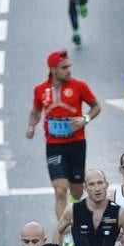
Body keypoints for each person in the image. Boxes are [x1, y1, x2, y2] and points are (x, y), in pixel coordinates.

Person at [27, 50, 100, 220]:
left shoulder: (80, 86)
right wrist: (31, 125)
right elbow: (36, 111)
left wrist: (85, 118)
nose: (69, 70)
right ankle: (65, 232)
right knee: (60, 190)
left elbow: (96, 107)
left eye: (69, 66)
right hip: (54, 145)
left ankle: (74, 210)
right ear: (53, 70)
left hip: (77, 143)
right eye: (64, 67)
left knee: (76, 190)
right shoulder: (40, 90)